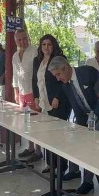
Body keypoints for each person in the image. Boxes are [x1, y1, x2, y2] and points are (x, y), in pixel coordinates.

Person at [48, 56, 99, 195]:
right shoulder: (66, 84)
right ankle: (74, 171)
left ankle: (88, 181)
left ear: (65, 68)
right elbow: (76, 106)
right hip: (85, 117)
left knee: (92, 146)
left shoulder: (87, 72)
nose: (58, 78)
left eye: (58, 74)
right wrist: (78, 127)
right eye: (55, 76)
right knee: (73, 138)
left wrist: (95, 116)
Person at [30, 34, 71, 171]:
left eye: (49, 44)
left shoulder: (59, 59)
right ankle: (50, 163)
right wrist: (36, 97)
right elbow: (34, 80)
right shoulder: (37, 60)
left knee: (58, 135)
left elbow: (64, 80)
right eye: (44, 44)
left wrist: (57, 97)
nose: (46, 47)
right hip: (43, 101)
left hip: (58, 102)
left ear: (53, 46)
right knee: (47, 134)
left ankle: (61, 166)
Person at [12, 29, 40, 161]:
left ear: (28, 38)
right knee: (26, 122)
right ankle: (30, 147)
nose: (22, 42)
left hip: (33, 91)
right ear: (15, 41)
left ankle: (38, 151)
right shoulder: (15, 56)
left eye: (24, 38)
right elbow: (15, 75)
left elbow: (38, 74)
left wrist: (38, 95)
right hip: (22, 93)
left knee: (35, 123)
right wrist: (16, 92)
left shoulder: (35, 52)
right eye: (19, 40)